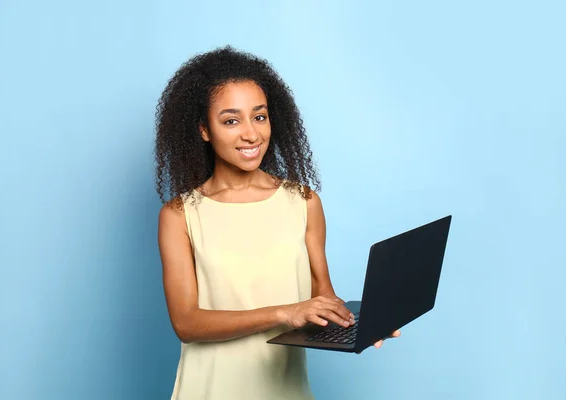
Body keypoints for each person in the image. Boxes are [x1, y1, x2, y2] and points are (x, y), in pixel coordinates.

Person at [155, 46, 400, 400]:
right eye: (231, 120)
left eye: (260, 116)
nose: (252, 134)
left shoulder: (303, 202)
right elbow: (187, 323)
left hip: (286, 390)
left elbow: (323, 299)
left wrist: (361, 325)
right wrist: (285, 312)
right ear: (204, 130)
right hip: (210, 389)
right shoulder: (180, 215)